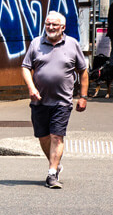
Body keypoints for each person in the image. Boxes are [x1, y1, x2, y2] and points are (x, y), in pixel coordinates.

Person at [21, 11, 88, 189]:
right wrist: (31, 88)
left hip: (62, 101)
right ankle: (55, 164)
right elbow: (25, 67)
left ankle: (51, 174)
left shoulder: (72, 44)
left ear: (63, 27)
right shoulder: (36, 43)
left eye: (54, 25)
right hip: (39, 100)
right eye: (48, 24)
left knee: (57, 136)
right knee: (43, 137)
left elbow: (83, 71)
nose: (50, 27)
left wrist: (83, 96)